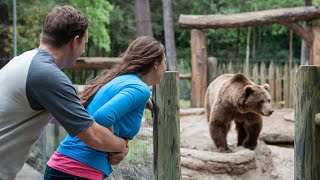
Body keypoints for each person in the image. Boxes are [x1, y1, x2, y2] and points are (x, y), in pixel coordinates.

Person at [0, 5, 128, 180]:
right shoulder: (47, 75)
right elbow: (91, 135)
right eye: (85, 43)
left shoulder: (24, 61)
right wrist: (121, 145)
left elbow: (66, 116)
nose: (82, 50)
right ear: (75, 42)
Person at [44, 36, 166, 180]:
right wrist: (115, 146)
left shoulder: (122, 81)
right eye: (165, 61)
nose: (166, 66)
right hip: (77, 171)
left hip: (67, 168)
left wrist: (117, 146)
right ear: (156, 64)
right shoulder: (140, 89)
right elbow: (102, 117)